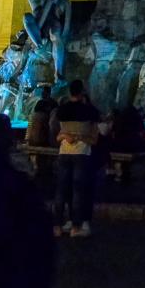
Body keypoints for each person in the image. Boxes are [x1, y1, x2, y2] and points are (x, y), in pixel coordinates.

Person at [53, 78, 100, 238]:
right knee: (78, 190)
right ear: (82, 92)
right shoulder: (90, 111)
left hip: (64, 152)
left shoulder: (62, 110)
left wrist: (67, 134)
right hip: (82, 152)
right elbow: (94, 136)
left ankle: (57, 226)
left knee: (61, 190)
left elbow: (59, 132)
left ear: (69, 92)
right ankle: (75, 226)